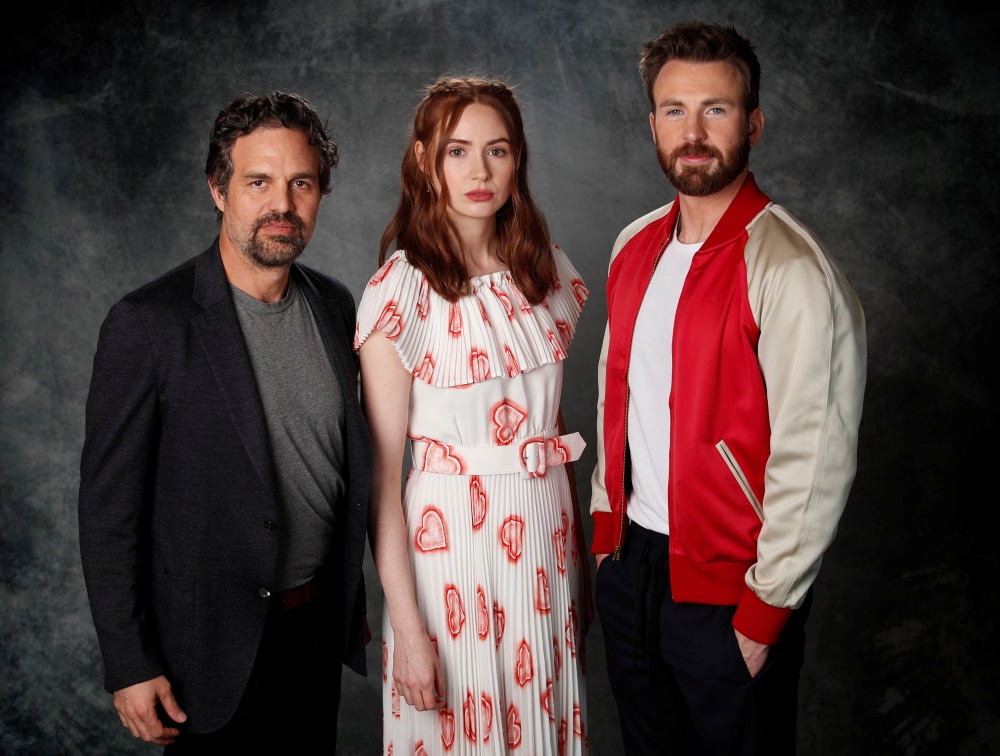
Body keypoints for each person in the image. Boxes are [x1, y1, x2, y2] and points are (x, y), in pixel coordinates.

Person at [590, 22, 867, 755]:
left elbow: (815, 460)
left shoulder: (791, 269)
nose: (693, 131)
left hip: (730, 593)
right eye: (674, 110)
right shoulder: (634, 247)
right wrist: (604, 539)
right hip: (633, 575)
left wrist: (763, 613)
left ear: (753, 123)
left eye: (716, 109)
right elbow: (616, 398)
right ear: (652, 123)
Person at [78, 92, 371, 752]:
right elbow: (108, 512)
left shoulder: (336, 306)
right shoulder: (147, 325)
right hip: (207, 652)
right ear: (218, 189)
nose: (282, 205)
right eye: (258, 181)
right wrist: (130, 662)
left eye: (301, 183)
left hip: (315, 631)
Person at [357, 77, 592, 755]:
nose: (480, 171)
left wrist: (577, 573)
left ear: (518, 160)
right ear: (426, 161)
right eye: (458, 151)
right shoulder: (401, 291)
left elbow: (549, 438)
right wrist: (407, 631)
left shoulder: (547, 273)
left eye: (498, 150)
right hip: (449, 551)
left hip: (545, 547)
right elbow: (383, 484)